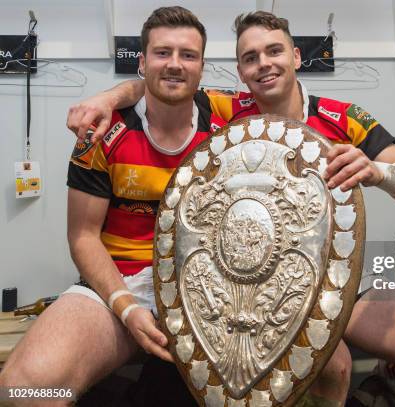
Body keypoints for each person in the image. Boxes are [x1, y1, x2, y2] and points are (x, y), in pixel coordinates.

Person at [64, 11, 395, 407]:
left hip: (341, 280)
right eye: (250, 58)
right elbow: (160, 83)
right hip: (259, 288)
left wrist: (379, 173)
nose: (263, 64)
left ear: (295, 55)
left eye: (274, 51)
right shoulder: (225, 111)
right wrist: (107, 97)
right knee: (328, 368)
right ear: (240, 72)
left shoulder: (342, 118)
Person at [0, 8, 348, 407]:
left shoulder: (230, 114)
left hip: (218, 287)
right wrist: (127, 310)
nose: (176, 65)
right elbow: (82, 236)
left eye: (188, 55)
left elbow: (291, 111)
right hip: (125, 285)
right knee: (23, 389)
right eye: (163, 53)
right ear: (142, 62)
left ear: (202, 67)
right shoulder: (101, 133)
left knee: (330, 368)